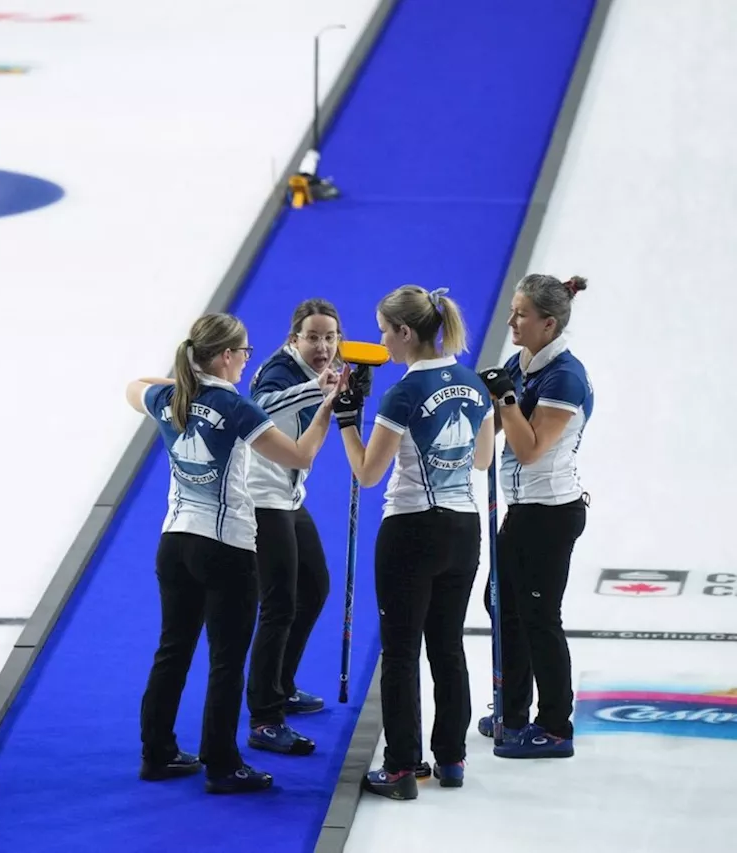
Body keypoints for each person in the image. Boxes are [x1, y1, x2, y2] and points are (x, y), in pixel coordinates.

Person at [125, 312, 345, 794]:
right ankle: (222, 764)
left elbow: (132, 386)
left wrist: (188, 384)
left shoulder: (167, 398)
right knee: (226, 660)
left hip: (174, 542)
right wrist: (327, 406)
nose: (247, 360)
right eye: (243, 352)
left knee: (172, 650)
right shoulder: (237, 407)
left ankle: (157, 753)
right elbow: (300, 456)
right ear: (225, 356)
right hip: (224, 548)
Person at [331, 285, 494, 799]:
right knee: (447, 646)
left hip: (411, 529)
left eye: (385, 330)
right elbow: (484, 459)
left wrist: (345, 422)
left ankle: (401, 768)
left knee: (400, 652)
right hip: (463, 529)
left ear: (405, 332)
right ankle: (451, 759)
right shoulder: (472, 384)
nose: (382, 340)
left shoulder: (402, 394)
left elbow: (368, 472)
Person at [475, 274, 593, 759]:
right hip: (523, 510)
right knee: (502, 606)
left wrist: (504, 400)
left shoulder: (564, 376)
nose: (511, 321)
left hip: (551, 511)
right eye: (513, 311)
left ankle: (555, 726)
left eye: (521, 314)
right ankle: (513, 708)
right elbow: (497, 428)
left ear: (548, 323)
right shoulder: (519, 362)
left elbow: (527, 449)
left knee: (540, 616)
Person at [242, 299, 341, 757]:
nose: (322, 346)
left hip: (290, 495)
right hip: (262, 499)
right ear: (293, 339)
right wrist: (319, 389)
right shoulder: (278, 371)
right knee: (279, 604)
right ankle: (264, 717)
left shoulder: (328, 367)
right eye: (313, 337)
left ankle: (281, 684)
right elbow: (259, 407)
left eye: (329, 337)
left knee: (315, 588)